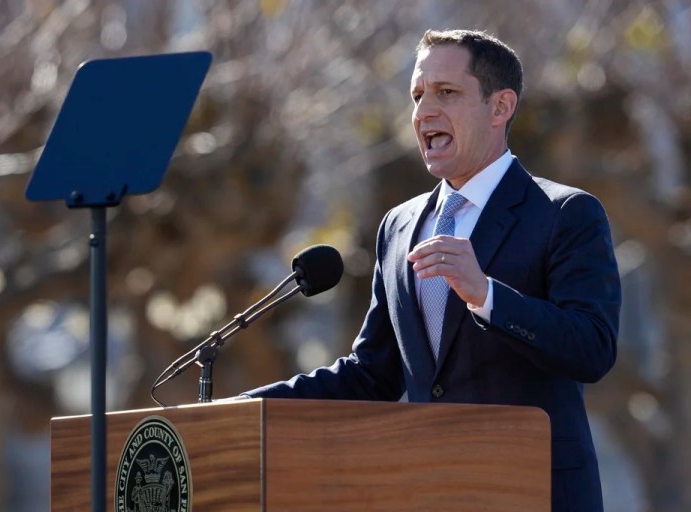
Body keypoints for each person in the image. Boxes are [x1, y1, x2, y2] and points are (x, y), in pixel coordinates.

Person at [243, 29, 620, 512]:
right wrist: (247, 408)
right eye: (417, 95)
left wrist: (486, 295)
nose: (424, 112)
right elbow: (372, 375)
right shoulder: (399, 226)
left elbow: (593, 349)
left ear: (500, 107)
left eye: (447, 93)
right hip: (429, 488)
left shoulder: (565, 213)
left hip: (534, 489)